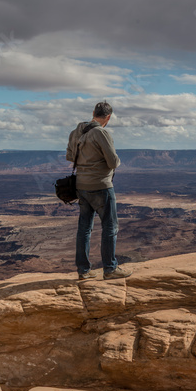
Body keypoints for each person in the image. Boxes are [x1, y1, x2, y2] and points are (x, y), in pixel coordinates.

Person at [66, 101, 131, 280]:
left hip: (81, 186)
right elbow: (113, 162)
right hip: (101, 186)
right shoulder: (101, 133)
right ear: (108, 117)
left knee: (84, 229)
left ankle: (83, 270)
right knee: (110, 227)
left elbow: (70, 156)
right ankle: (110, 268)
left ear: (93, 112)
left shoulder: (76, 131)